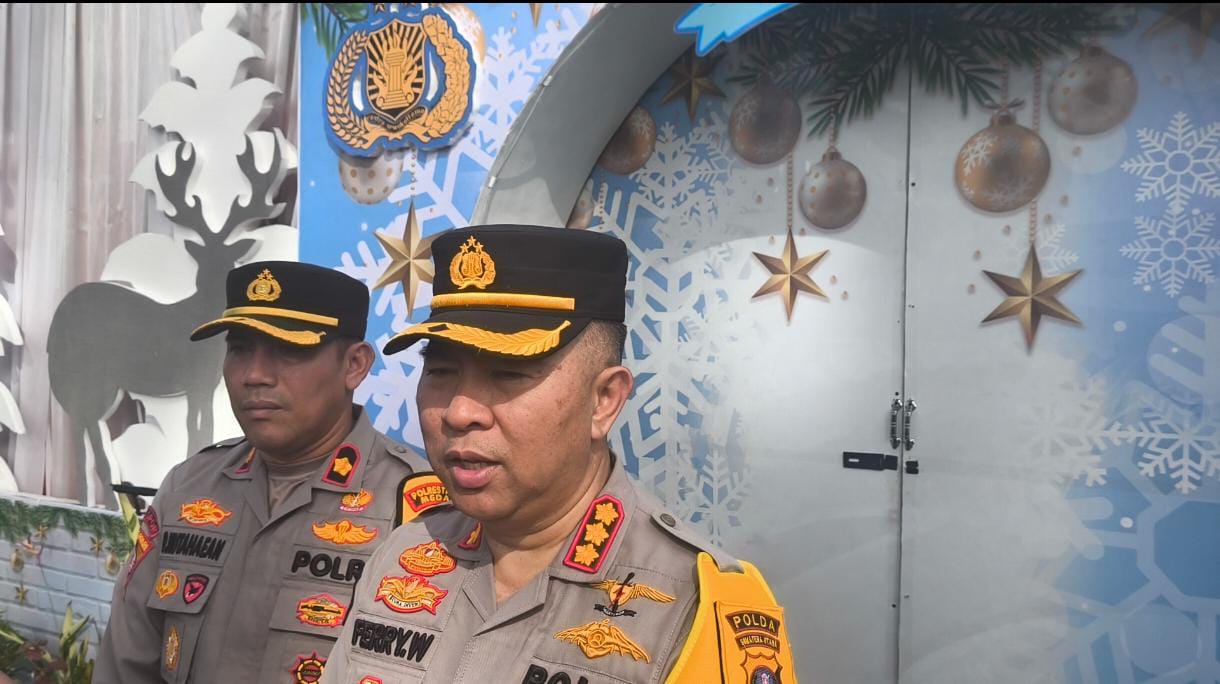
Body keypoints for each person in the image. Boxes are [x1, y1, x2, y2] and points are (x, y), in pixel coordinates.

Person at [319, 226, 797, 683]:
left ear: (604, 400)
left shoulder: (694, 600)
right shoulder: (403, 555)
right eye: (441, 372)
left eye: (508, 374)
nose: (460, 412)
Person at [95, 261, 443, 683]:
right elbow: (125, 666)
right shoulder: (188, 488)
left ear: (354, 365)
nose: (254, 375)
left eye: (289, 349)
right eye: (240, 349)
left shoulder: (421, 514)